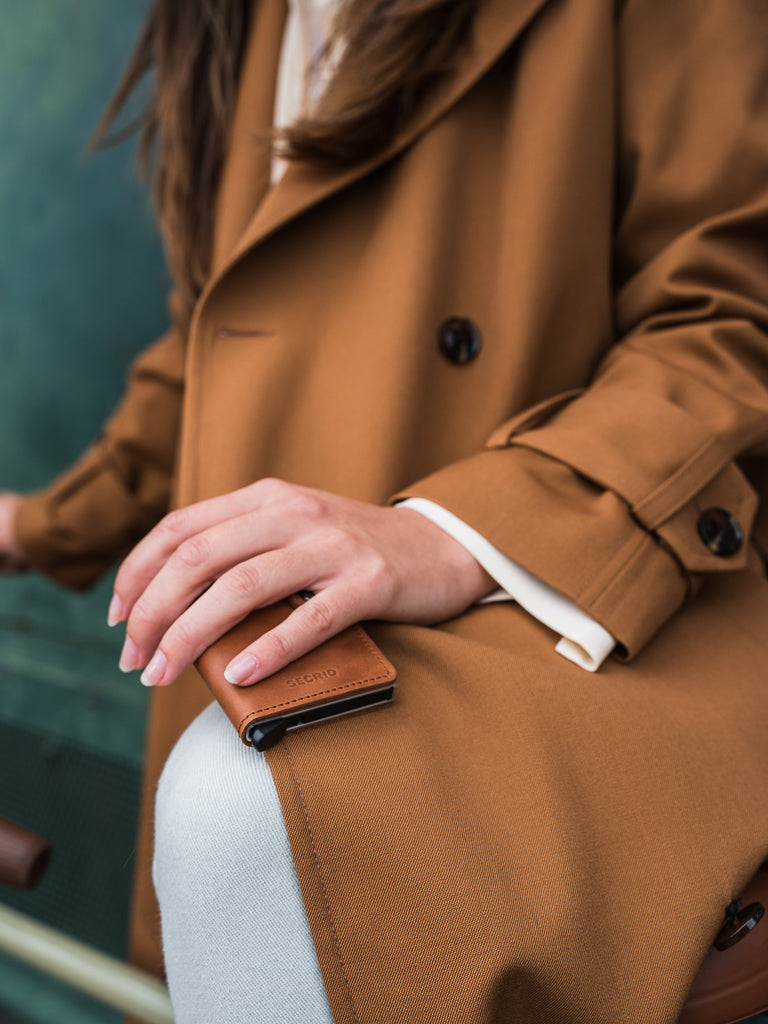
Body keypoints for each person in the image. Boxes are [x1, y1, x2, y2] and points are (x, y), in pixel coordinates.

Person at [2, 0, 768, 1020]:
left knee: (242, 812)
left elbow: (727, 311)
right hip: (265, 638)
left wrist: (459, 527)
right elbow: (221, 340)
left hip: (558, 617)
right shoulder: (235, 23)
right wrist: (39, 525)